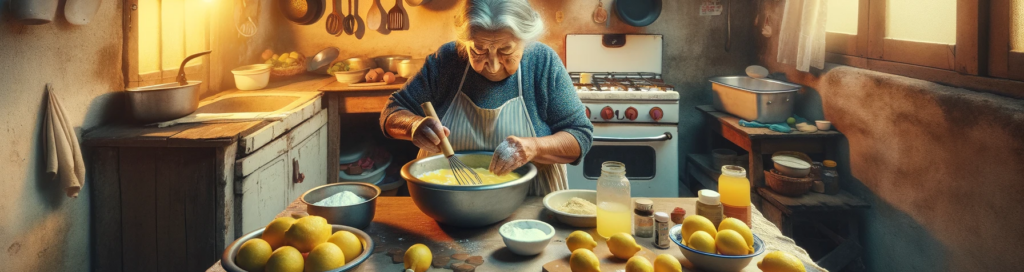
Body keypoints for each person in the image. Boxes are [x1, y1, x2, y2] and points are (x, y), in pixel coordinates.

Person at [379, 0, 593, 195]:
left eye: (506, 50)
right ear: (465, 41)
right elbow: (391, 112)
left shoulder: (542, 62)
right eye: (479, 50)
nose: (493, 65)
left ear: (524, 41)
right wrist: (413, 126)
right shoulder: (447, 61)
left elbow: (580, 137)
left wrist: (534, 148)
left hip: (529, 201)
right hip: (448, 198)